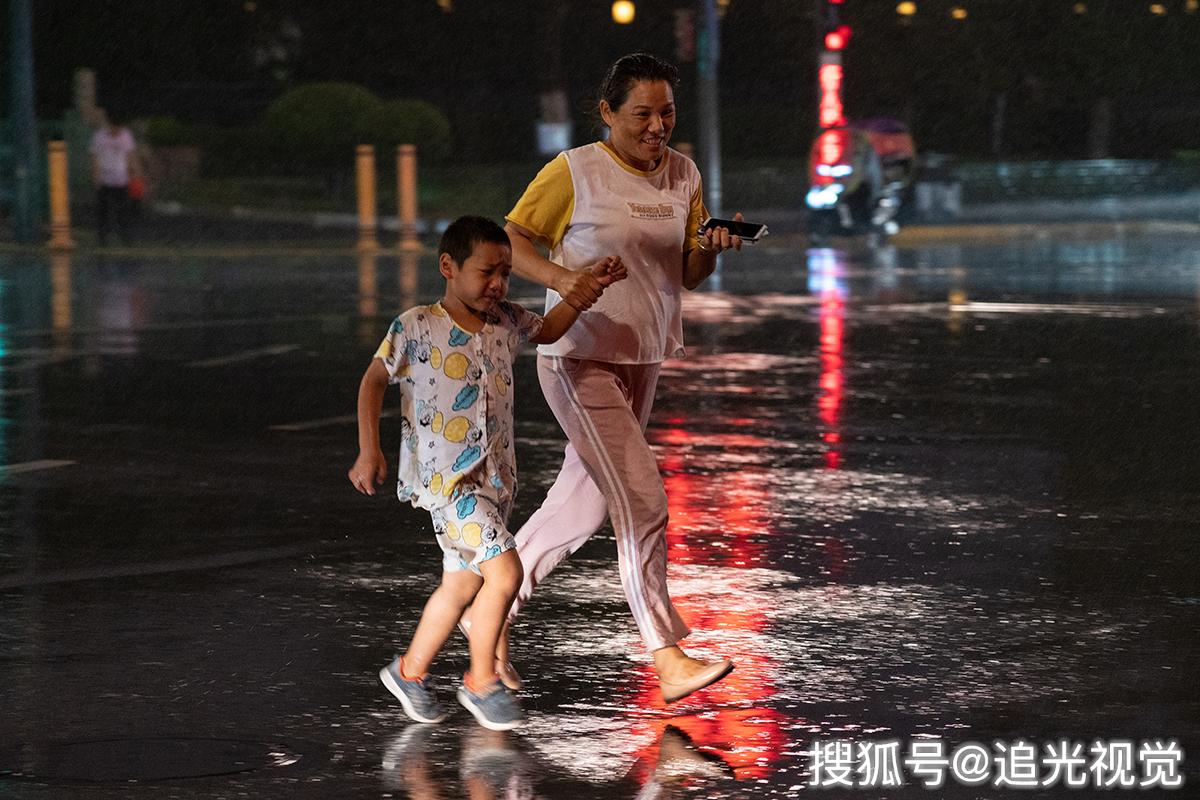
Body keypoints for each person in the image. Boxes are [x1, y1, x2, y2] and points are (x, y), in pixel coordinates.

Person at [465, 52, 745, 705]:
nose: (657, 126)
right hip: (579, 357)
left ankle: (487, 616)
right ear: (608, 113)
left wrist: (711, 247)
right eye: (642, 113)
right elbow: (514, 241)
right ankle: (666, 656)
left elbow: (687, 271)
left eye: (667, 112)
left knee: (580, 508)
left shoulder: (684, 173)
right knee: (643, 499)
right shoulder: (575, 171)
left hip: (642, 356)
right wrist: (564, 280)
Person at [349, 216, 625, 730]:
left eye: (505, 273)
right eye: (486, 272)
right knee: (506, 571)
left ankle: (409, 672)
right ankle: (482, 681)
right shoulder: (414, 326)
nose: (497, 283)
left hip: (495, 480)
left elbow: (552, 328)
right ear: (448, 268)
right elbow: (372, 383)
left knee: (458, 585)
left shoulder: (507, 320)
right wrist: (370, 451)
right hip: (448, 486)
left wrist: (586, 288)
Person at [89, 110, 142, 246]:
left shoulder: (126, 136)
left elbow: (130, 155)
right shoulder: (99, 137)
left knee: (123, 210)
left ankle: (126, 237)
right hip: (104, 178)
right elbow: (94, 157)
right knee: (103, 210)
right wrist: (96, 176)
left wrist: (135, 173)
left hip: (121, 178)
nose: (117, 131)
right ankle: (102, 238)